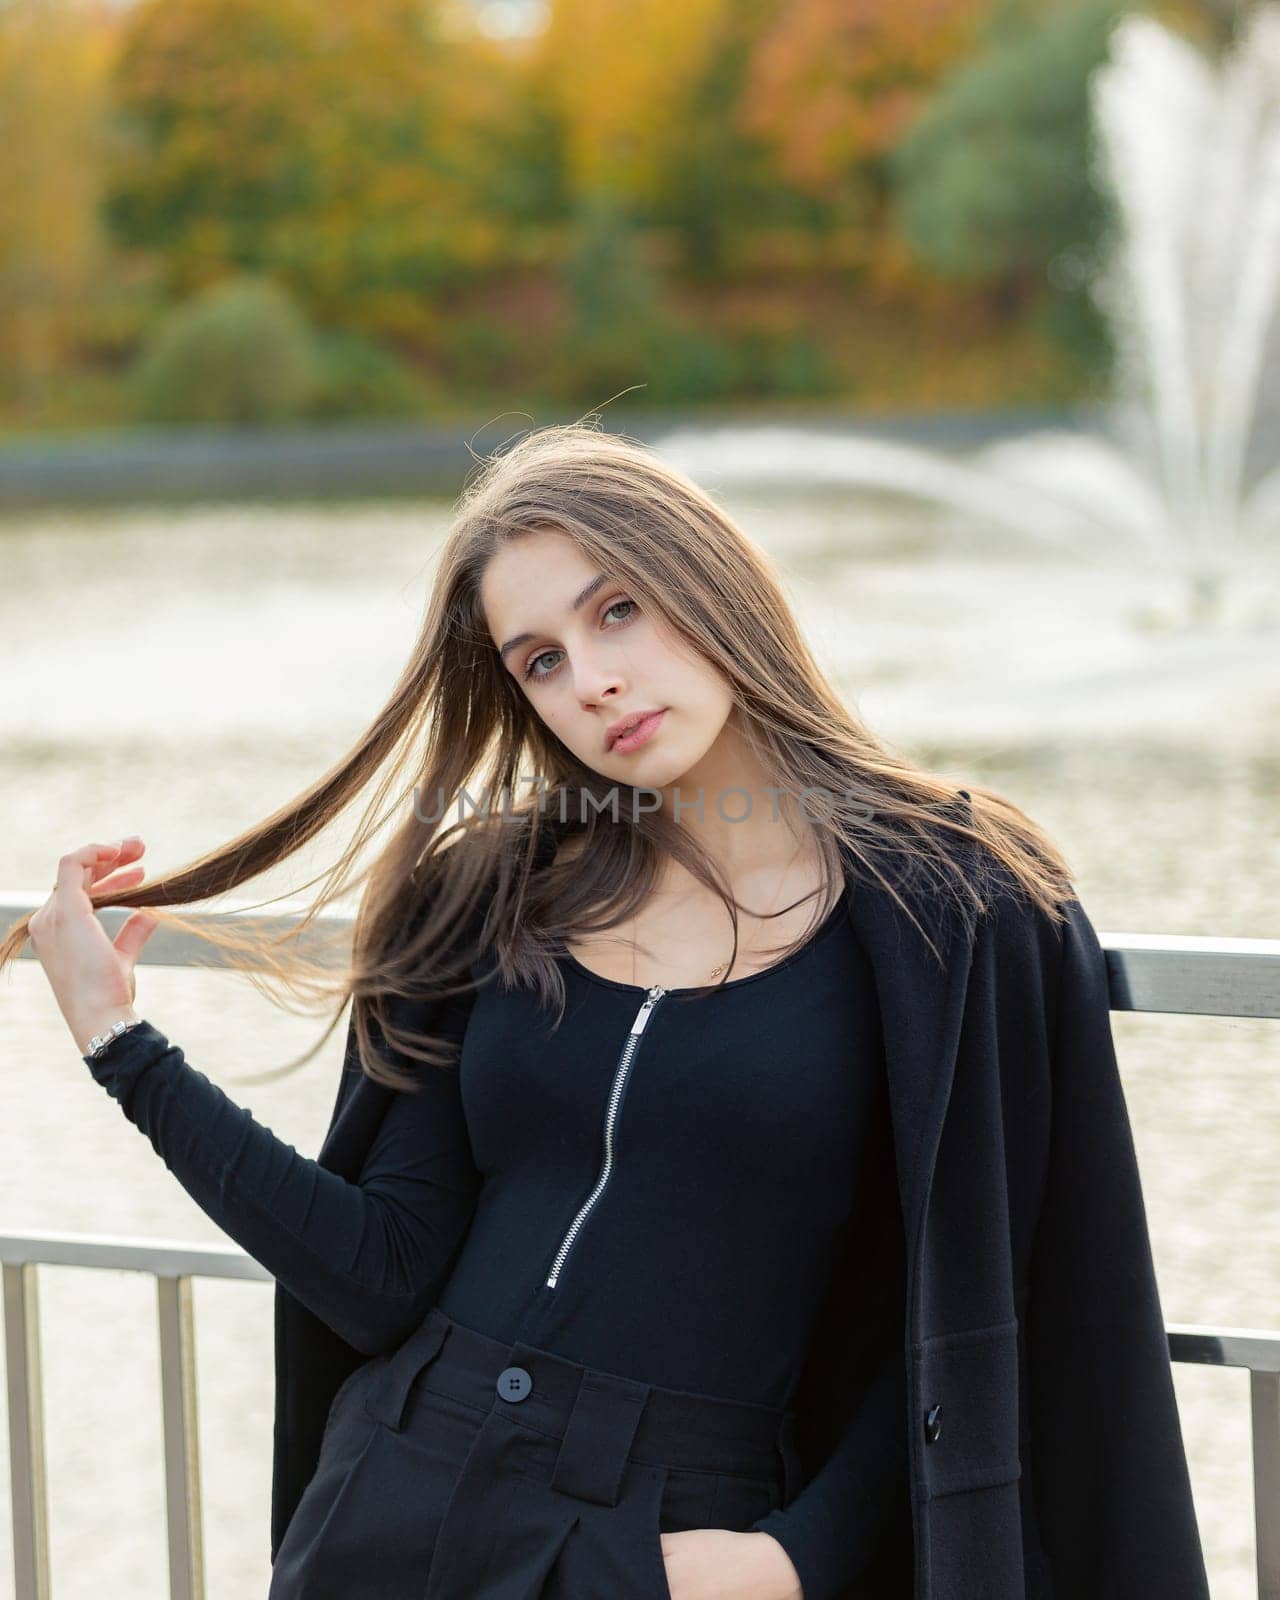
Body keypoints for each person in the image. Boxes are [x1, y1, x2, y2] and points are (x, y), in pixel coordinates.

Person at [10, 421, 1210, 1600]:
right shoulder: (493, 889)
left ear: (706, 576)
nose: (593, 682)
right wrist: (125, 1046)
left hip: (675, 1538)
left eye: (616, 608)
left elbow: (982, 1310)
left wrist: (794, 1555)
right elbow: (379, 1268)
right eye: (538, 660)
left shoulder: (951, 905)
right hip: (392, 1497)